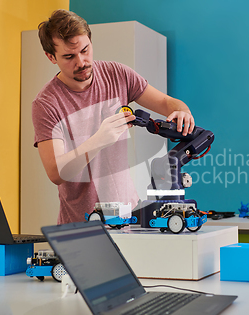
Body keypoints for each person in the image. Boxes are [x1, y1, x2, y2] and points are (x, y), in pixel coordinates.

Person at [32, 9, 195, 224]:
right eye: (69, 56)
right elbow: (55, 172)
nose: (81, 62)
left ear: (90, 41)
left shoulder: (117, 74)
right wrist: (100, 139)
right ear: (51, 57)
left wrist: (183, 110)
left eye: (85, 50)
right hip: (81, 224)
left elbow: (166, 103)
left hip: (129, 216)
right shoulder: (46, 103)